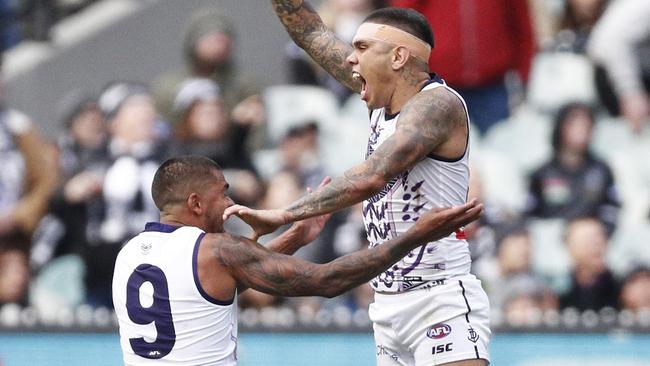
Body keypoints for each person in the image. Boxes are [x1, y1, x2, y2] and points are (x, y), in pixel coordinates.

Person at [225, 2, 491, 365]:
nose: (351, 59)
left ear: (398, 57)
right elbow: (311, 33)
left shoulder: (437, 106)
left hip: (438, 296)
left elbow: (373, 175)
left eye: (362, 48)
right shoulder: (381, 98)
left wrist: (283, 214)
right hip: (386, 302)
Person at [112, 155, 482, 365]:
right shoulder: (217, 250)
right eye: (222, 195)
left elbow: (220, 281)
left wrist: (294, 237)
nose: (228, 204)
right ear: (195, 203)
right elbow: (325, 281)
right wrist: (417, 234)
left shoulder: (130, 254)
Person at [390, 0, 536, 135]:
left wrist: (524, 75)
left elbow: (521, 26)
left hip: (492, 87)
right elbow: (404, 23)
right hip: (439, 87)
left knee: (497, 151)